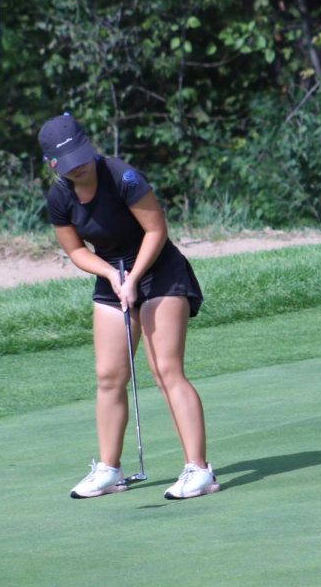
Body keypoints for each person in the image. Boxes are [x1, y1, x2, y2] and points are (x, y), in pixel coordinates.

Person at [38, 112, 219, 502]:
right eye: (69, 164)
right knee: (108, 375)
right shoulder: (59, 197)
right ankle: (109, 469)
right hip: (112, 275)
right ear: (53, 165)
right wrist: (111, 274)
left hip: (159, 271)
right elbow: (74, 250)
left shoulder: (123, 177)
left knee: (164, 369)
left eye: (83, 156)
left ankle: (199, 470)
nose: (81, 167)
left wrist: (134, 276)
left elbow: (156, 230)